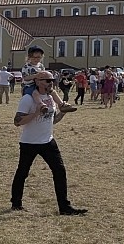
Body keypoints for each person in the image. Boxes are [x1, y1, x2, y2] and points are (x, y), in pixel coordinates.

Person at [9, 71, 87, 215]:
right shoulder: (28, 99)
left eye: (51, 80)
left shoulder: (51, 98)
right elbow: (17, 122)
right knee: (23, 172)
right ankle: (16, 203)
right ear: (37, 81)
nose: (50, 83)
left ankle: (64, 207)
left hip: (48, 141)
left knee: (60, 171)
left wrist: (63, 112)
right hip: (29, 143)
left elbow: (53, 120)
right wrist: (36, 113)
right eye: (46, 80)